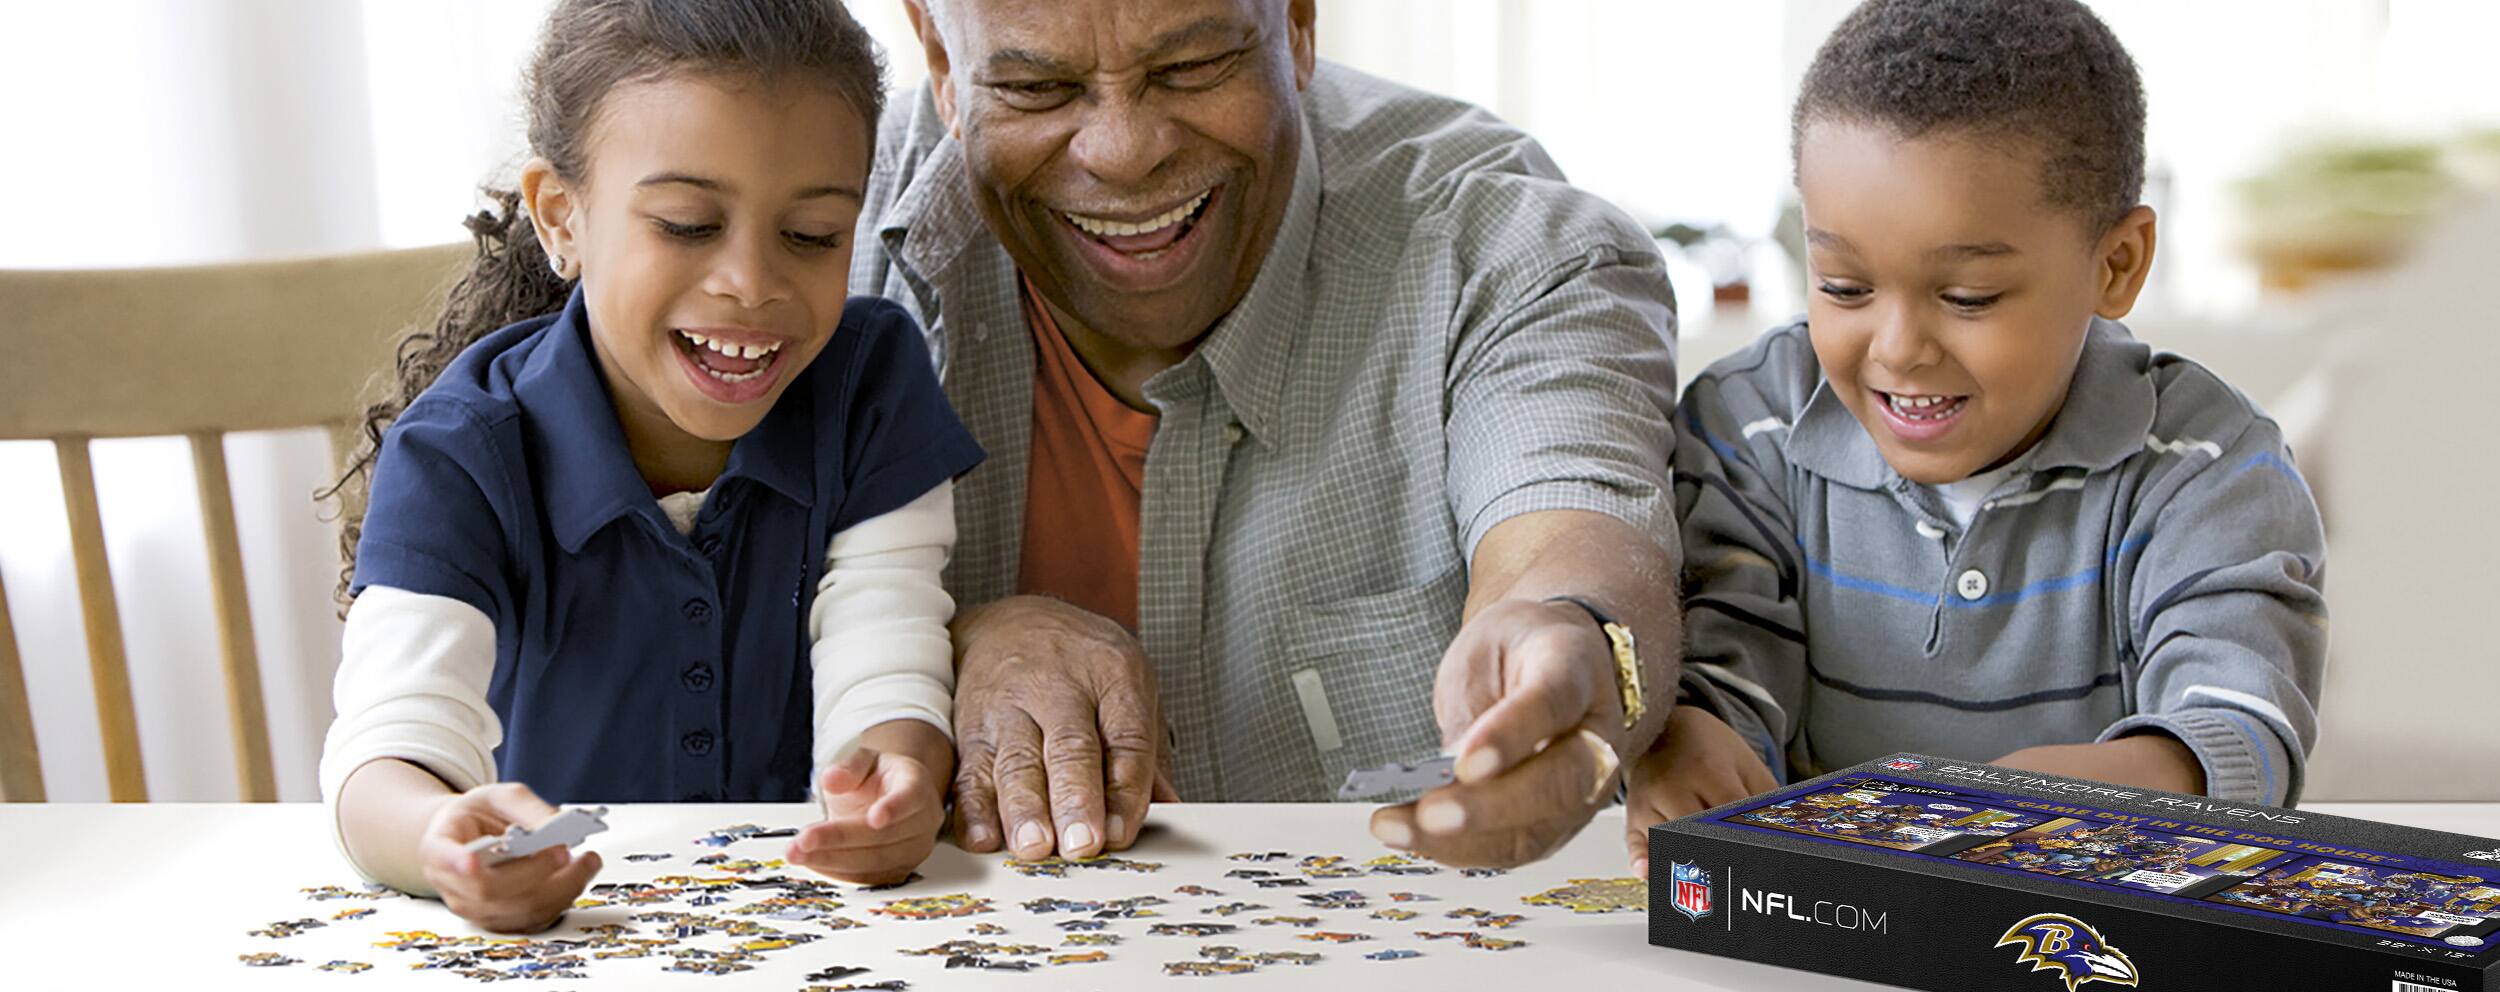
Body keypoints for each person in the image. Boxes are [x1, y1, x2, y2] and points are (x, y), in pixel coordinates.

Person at [857, 0, 1683, 868]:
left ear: (1295, 22)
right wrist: (937, 643)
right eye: (1035, 86)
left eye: (1191, 67)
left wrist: (1577, 645)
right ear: (941, 61)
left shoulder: (1503, 244)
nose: (1124, 151)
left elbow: (1570, 537)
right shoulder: (797, 225)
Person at [316, 0, 983, 932]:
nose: (751, 282)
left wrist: (894, 778)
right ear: (561, 216)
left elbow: (886, 651)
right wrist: (438, 836)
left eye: (814, 235)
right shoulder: (460, 452)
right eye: (684, 223)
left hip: (814, 930)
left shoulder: (871, 385)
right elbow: (386, 750)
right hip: (565, 940)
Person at [1625, 0, 2328, 871]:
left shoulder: (2206, 464)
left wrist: (2133, 779)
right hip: (1819, 918)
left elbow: (2239, 715)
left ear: (2116, 265)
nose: (1898, 348)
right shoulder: (1749, 424)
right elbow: (1726, 648)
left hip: (2081, 919)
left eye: (1968, 299)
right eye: (1843, 286)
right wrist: (1687, 735)